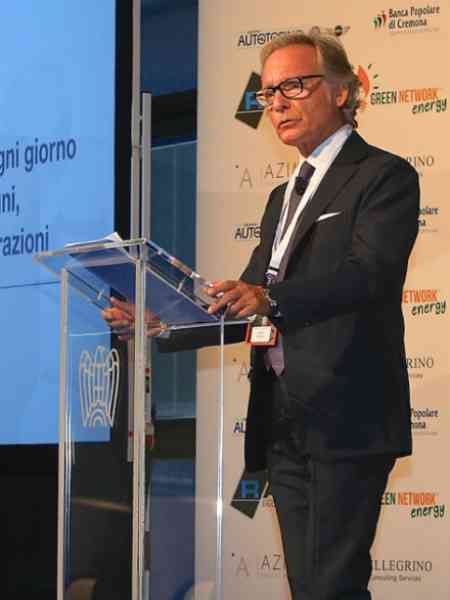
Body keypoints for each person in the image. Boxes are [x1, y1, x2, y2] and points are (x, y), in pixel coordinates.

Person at [104, 31, 419, 600]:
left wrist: (271, 299)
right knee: (311, 588)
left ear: (342, 91)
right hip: (282, 417)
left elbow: (370, 275)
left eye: (294, 86)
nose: (276, 103)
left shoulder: (383, 176)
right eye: (269, 92)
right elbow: (245, 298)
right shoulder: (283, 196)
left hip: (346, 415)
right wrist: (161, 322)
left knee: (332, 586)